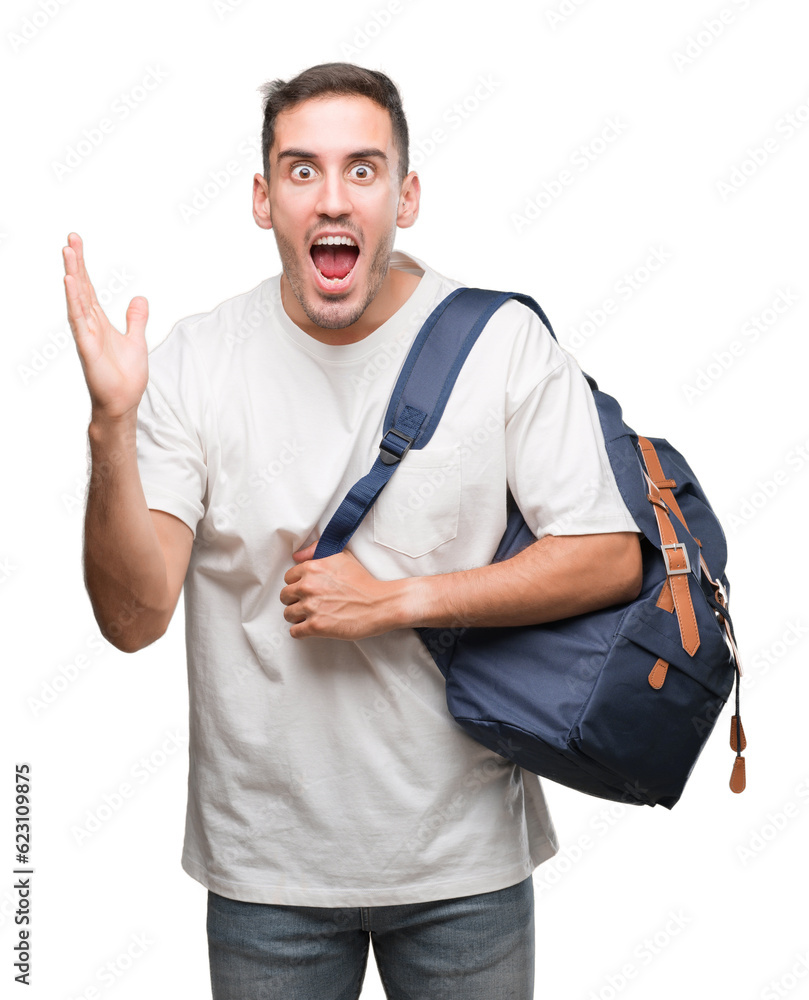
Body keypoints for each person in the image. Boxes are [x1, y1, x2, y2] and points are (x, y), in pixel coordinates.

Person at [64, 62, 643, 1000]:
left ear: (405, 194)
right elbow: (132, 619)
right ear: (263, 198)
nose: (332, 197)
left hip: (464, 864)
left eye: (362, 170)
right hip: (265, 871)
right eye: (301, 171)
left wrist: (398, 599)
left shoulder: (500, 345)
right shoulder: (195, 362)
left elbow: (609, 555)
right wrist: (111, 428)